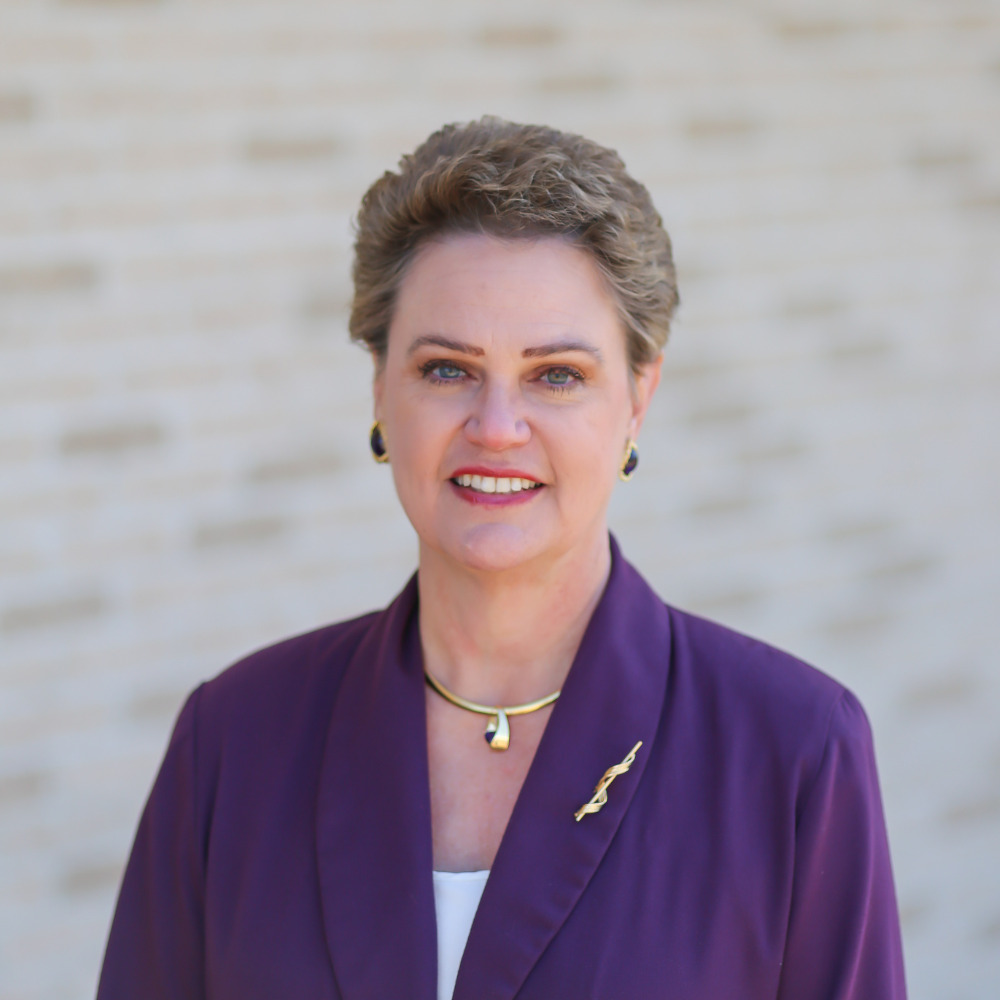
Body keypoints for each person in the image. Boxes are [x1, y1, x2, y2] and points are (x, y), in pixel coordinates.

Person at [97, 117, 907, 1000]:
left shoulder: (791, 753)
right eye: (447, 369)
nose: (495, 428)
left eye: (556, 374)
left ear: (638, 399)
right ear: (380, 388)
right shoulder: (235, 741)